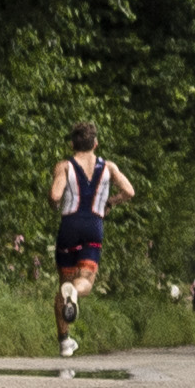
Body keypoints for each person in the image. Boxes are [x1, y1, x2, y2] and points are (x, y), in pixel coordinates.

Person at [45, 123, 137, 357]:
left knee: (64, 284)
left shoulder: (65, 166)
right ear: (95, 144)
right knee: (85, 279)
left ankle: (65, 341)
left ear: (72, 144)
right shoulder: (108, 167)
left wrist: (54, 204)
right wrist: (110, 203)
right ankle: (75, 293)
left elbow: (55, 195)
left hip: (69, 227)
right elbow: (129, 192)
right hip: (93, 227)